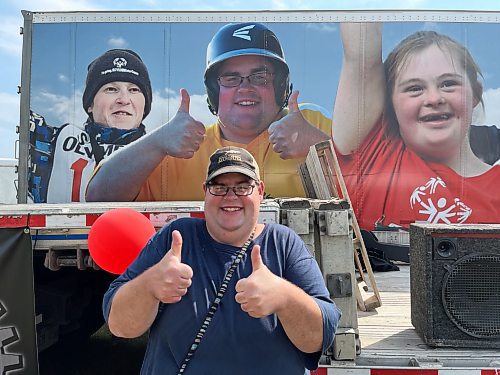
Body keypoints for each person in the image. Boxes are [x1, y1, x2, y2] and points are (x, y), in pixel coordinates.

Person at [103, 146, 340, 374]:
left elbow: (320, 337)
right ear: (205, 191)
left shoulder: (283, 243)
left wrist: (284, 298)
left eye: (242, 187)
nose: (230, 196)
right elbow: (120, 325)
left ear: (260, 191)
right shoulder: (176, 237)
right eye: (219, 186)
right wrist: (149, 286)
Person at [86, 22, 332, 202]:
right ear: (213, 92)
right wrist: (157, 142)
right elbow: (98, 198)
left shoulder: (312, 123)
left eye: (260, 76)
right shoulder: (180, 151)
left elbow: (365, 189)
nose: (245, 88)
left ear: (281, 86)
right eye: (231, 78)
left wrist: (318, 145)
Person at [333, 23, 500, 230]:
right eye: (414, 88)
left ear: (475, 93)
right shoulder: (371, 155)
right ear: (390, 104)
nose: (434, 98)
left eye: (448, 83)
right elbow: (360, 42)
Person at [29, 48, 151, 203]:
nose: (124, 99)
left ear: (145, 106)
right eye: (111, 89)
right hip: (64, 228)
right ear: (90, 105)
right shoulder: (48, 143)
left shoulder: (166, 155)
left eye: (134, 90)